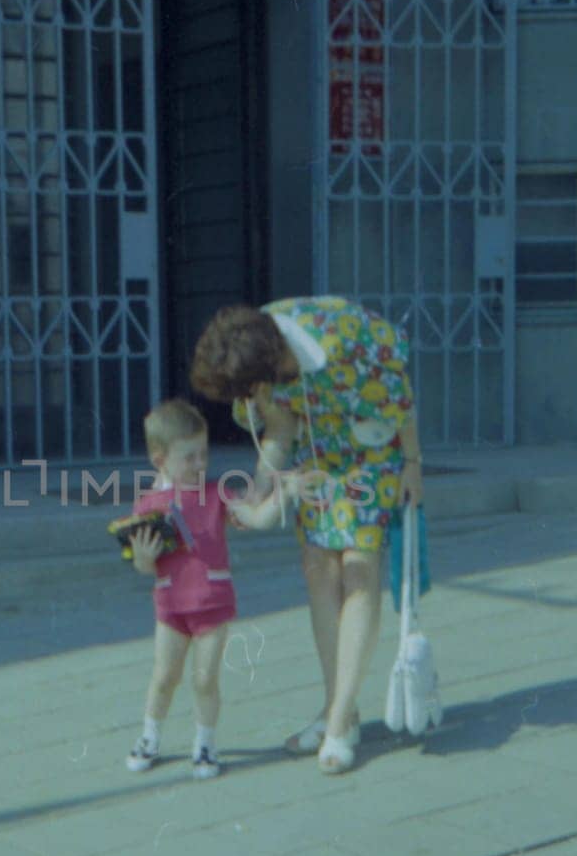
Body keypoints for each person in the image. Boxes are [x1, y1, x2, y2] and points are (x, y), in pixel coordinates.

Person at [190, 296, 424, 775]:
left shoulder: (342, 339)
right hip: (319, 457)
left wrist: (414, 464)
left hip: (371, 451)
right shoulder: (258, 358)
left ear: (271, 366)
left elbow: (400, 400)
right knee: (319, 568)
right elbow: (281, 427)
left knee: (359, 568)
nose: (251, 399)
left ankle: (338, 721)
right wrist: (259, 487)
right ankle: (340, 708)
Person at [127, 397, 299, 780]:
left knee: (205, 678)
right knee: (164, 677)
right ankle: (149, 736)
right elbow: (143, 566)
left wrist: (282, 497)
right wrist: (143, 559)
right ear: (160, 461)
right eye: (189, 457)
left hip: (213, 602)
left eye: (203, 454)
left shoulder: (216, 493)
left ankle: (205, 743)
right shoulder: (148, 507)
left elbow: (254, 517)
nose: (200, 464)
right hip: (170, 606)